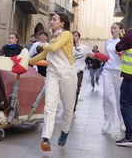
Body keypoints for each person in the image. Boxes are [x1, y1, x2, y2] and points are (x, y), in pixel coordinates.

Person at [29, 13, 76, 152]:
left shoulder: (67, 34)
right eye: (51, 19)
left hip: (67, 73)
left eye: (54, 19)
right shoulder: (53, 38)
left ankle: (65, 131)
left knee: (68, 109)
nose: (51, 21)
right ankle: (46, 138)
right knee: (50, 106)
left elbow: (54, 48)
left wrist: (42, 45)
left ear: (62, 23)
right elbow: (43, 55)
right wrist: (27, 61)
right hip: (52, 74)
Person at [101, 22, 124, 135]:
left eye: (115, 28)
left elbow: (127, 57)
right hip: (107, 71)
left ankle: (122, 121)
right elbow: (106, 57)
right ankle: (108, 121)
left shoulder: (123, 42)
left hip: (119, 72)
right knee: (106, 95)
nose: (112, 29)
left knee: (120, 97)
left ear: (120, 30)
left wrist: (121, 53)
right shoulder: (108, 42)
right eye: (111, 28)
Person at [115, 22, 132, 146]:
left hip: (130, 76)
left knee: (125, 104)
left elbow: (118, 47)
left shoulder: (130, 34)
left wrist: (123, 36)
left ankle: (130, 136)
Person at [72, 31, 96, 116]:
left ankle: (73, 110)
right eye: (72, 35)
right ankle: (68, 108)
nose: (74, 37)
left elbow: (91, 55)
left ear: (79, 37)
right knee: (67, 92)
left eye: (76, 35)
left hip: (79, 72)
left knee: (76, 91)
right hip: (69, 72)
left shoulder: (84, 47)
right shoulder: (68, 47)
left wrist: (102, 57)